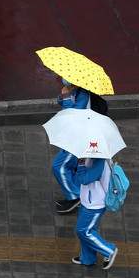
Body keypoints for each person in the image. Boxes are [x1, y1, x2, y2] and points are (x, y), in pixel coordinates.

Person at [53, 78, 91, 214]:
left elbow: (72, 116)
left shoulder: (84, 95)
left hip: (78, 139)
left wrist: (67, 97)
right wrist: (64, 96)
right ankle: (74, 196)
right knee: (73, 167)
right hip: (73, 136)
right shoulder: (77, 91)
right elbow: (61, 102)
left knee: (60, 166)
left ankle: (75, 198)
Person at [72, 157, 118, 270]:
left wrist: (81, 165)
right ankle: (87, 258)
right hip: (88, 201)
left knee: (83, 231)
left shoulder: (99, 161)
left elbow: (84, 179)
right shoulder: (93, 156)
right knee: (89, 229)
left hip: (95, 204)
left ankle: (109, 250)